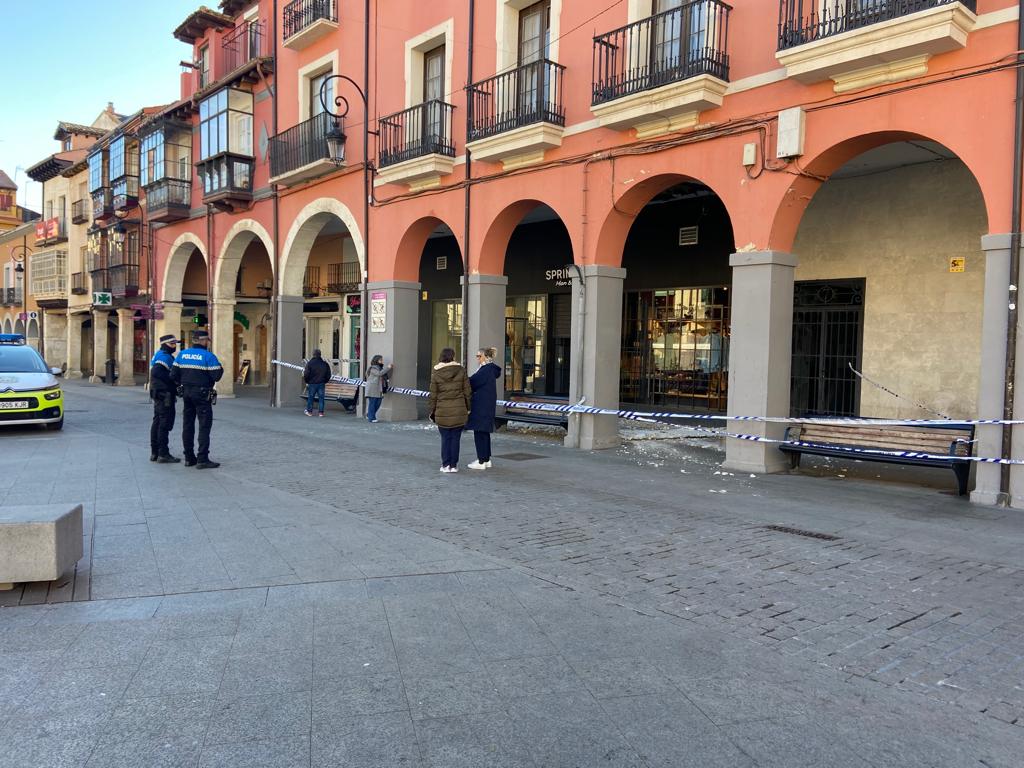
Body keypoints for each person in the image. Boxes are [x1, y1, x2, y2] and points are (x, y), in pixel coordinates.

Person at [170, 330, 224, 469]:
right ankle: (202, 459)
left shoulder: (182, 354)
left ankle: (189, 458)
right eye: (207, 340)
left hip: (186, 393)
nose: (208, 343)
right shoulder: (208, 356)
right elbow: (216, 376)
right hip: (202, 394)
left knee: (187, 425)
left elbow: (173, 374)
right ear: (203, 341)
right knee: (204, 426)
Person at [428, 347, 471, 473]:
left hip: (442, 411)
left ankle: (445, 464)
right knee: (456, 439)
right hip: (459, 410)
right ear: (453, 356)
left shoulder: (436, 373)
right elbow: (467, 392)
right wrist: (468, 408)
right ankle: (454, 465)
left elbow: (433, 395)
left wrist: (432, 411)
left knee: (445, 438)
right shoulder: (461, 370)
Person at [466, 347, 501, 470]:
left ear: (485, 357)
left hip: (481, 405)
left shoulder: (485, 370)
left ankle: (481, 461)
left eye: (478, 356)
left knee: (479, 432)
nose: (477, 358)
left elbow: (472, 382)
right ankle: (486, 459)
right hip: (487, 405)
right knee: (484, 432)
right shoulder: (490, 369)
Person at [149, 334, 180, 464]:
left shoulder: (158, 354)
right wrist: (173, 379)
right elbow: (156, 372)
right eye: (172, 344)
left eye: (175, 344)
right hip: (164, 394)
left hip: (158, 393)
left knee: (157, 422)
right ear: (165, 344)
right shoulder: (164, 356)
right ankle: (163, 453)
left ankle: (155, 452)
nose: (175, 346)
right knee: (164, 423)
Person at [303, 349, 332, 417]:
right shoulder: (325, 364)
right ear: (320, 354)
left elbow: (306, 374)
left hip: (312, 383)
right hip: (321, 383)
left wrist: (307, 381)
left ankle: (309, 412)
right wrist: (325, 381)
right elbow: (328, 374)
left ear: (313, 355)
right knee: (321, 398)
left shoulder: (310, 363)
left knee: (311, 398)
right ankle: (321, 413)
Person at [364, 355, 393, 423]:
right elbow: (379, 374)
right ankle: (371, 418)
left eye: (382, 360)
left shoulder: (380, 367)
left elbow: (384, 375)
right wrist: (388, 368)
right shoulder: (373, 368)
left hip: (379, 388)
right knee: (373, 403)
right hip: (372, 388)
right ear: (376, 360)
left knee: (378, 403)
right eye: (380, 360)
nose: (382, 361)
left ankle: (369, 414)